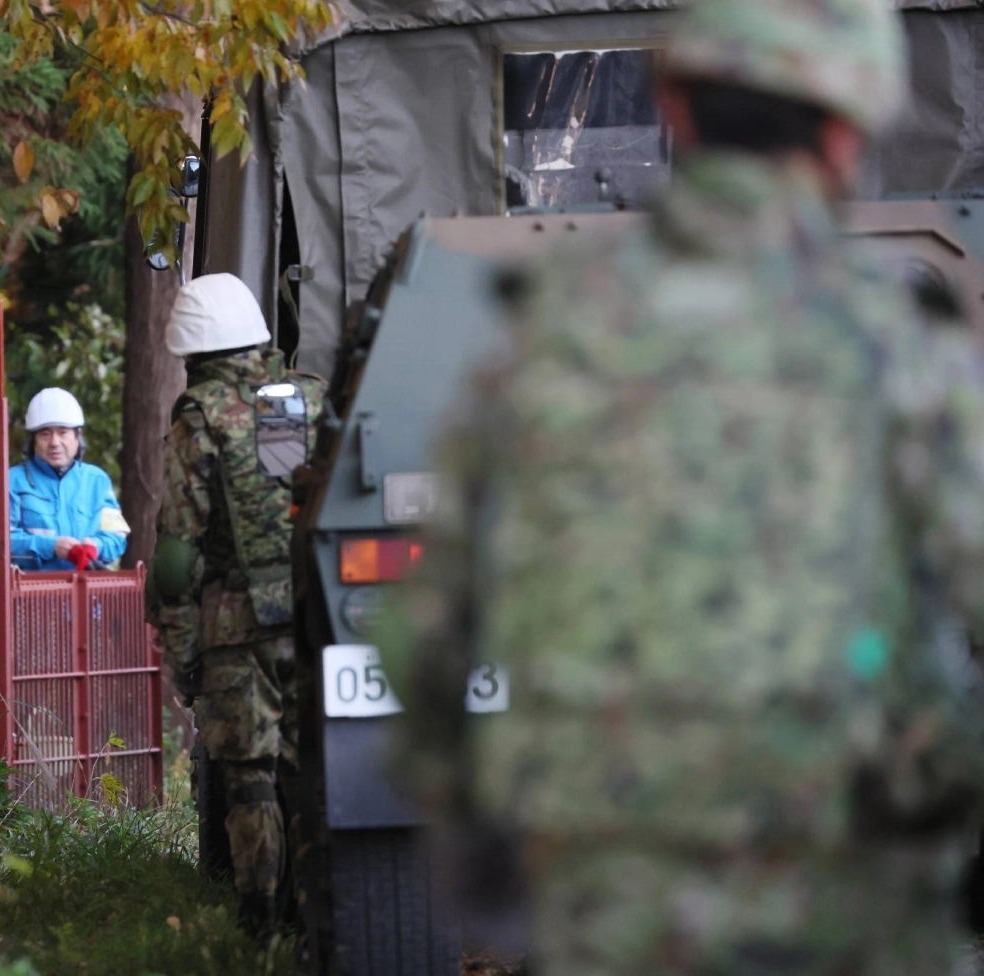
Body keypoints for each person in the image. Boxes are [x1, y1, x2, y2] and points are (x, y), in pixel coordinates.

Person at [383, 0, 984, 972]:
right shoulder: (901, 342)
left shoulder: (547, 334)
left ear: (674, 107)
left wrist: (466, 823)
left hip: (606, 897)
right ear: (849, 130)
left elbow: (425, 632)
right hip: (852, 890)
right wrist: (942, 786)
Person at [149, 273, 327, 936]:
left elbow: (177, 557)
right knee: (312, 763)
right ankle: (320, 914)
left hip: (238, 628)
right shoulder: (309, 395)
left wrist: (184, 657)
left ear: (192, 352)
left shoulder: (200, 415)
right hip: (319, 618)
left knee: (249, 774)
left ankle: (261, 927)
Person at [0, 387, 129, 572]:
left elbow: (117, 538)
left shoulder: (97, 480)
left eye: (63, 432)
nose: (54, 442)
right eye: (45, 434)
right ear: (33, 441)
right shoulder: (13, 480)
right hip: (34, 597)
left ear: (77, 437)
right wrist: (51, 546)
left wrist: (96, 546)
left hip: (87, 596)